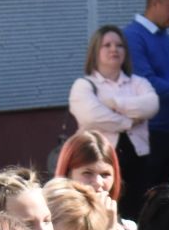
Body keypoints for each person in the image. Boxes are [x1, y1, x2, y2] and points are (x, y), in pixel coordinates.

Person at [68, 25, 160, 216]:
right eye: (107, 45)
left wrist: (113, 102)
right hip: (100, 159)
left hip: (138, 158)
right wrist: (128, 121)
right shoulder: (84, 85)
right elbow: (92, 116)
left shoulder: (138, 83)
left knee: (137, 211)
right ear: (95, 51)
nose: (114, 49)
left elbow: (151, 105)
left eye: (119, 45)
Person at [123, 0, 169, 189]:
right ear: (155, 3)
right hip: (151, 131)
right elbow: (145, 82)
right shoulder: (132, 37)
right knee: (148, 195)